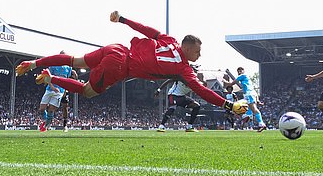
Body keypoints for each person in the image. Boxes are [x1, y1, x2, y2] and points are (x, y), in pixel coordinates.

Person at [15, 11, 246, 116]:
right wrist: (228, 105)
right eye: (197, 51)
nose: (199, 55)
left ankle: (35, 63)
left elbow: (145, 29)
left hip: (116, 48)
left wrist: (123, 19)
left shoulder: (170, 40)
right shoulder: (183, 68)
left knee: (76, 60)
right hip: (119, 65)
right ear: (187, 48)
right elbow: (203, 91)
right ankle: (49, 78)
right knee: (87, 92)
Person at [37, 52, 77, 133]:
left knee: (62, 107)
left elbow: (68, 78)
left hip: (61, 90)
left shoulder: (68, 68)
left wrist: (68, 87)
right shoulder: (53, 66)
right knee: (42, 109)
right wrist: (52, 87)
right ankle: (46, 122)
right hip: (50, 89)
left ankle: (60, 125)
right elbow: (47, 76)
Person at [155, 67, 203, 132]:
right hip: (173, 94)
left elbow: (203, 88)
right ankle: (161, 126)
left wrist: (202, 81)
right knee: (172, 107)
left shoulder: (196, 83)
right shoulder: (181, 77)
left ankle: (189, 126)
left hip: (182, 97)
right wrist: (158, 90)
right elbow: (169, 80)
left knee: (197, 105)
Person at [223, 67, 267, 132]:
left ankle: (261, 124)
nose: (239, 72)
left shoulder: (243, 76)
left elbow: (232, 83)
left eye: (241, 70)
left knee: (254, 109)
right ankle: (246, 120)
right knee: (247, 112)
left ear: (244, 71)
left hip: (249, 94)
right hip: (250, 94)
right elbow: (252, 90)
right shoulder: (246, 81)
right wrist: (258, 101)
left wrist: (225, 81)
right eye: (238, 71)